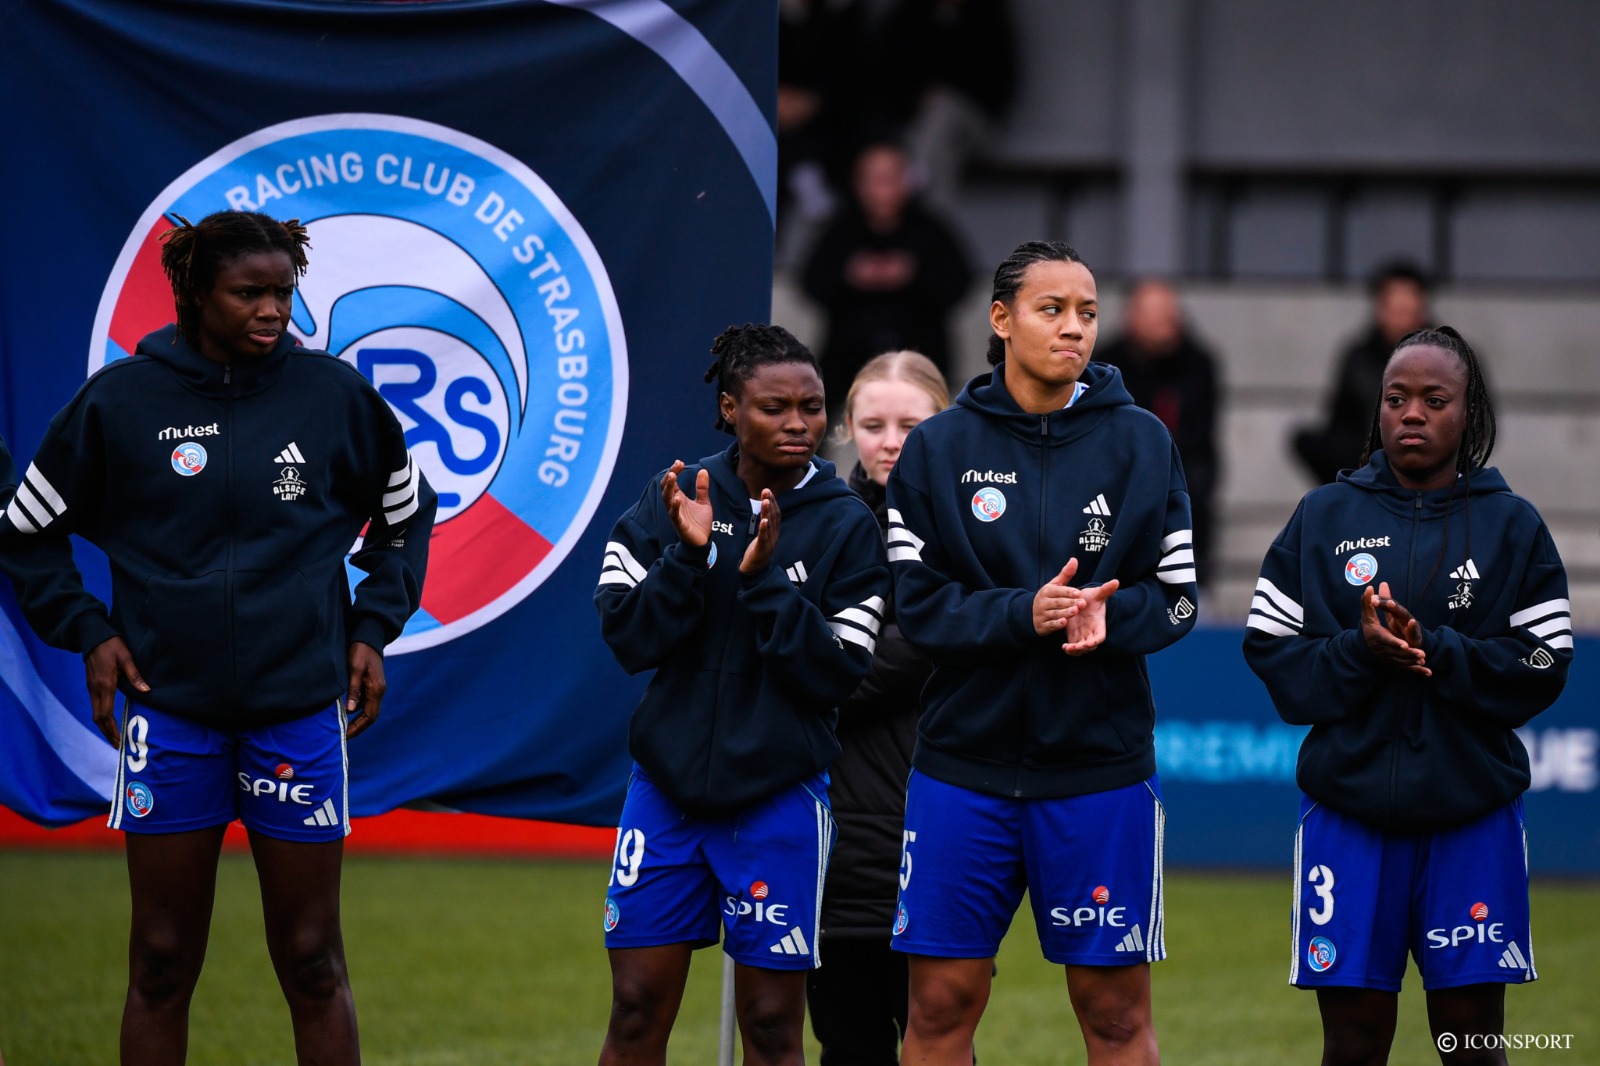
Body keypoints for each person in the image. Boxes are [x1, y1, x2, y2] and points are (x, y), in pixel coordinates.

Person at [0, 210, 435, 1065]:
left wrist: (374, 626)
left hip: (298, 714)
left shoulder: (336, 397)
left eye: (283, 292)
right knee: (161, 962)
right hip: (172, 718)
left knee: (312, 960)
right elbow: (24, 529)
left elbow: (406, 516)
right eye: (250, 293)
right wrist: (86, 629)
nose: (274, 310)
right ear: (197, 294)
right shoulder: (120, 402)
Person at [885, 240, 1198, 1065]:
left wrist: (1111, 616)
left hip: (1099, 771)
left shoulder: (1143, 443)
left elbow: (1179, 597)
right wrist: (1023, 613)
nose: (1074, 329)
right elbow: (917, 609)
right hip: (963, 768)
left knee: (1116, 1016)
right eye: (1051, 310)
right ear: (1001, 318)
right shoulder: (938, 448)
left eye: (1088, 313)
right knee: (941, 1005)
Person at [1244, 326, 1571, 1066]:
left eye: (1434, 399)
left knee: (1471, 1040)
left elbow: (1546, 663)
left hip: (1472, 819)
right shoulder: (1323, 516)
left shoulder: (1512, 525)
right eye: (1396, 399)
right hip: (1349, 818)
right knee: (1354, 1041)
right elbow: (1271, 654)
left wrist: (1438, 650)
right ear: (1378, 409)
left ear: (1469, 413)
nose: (1412, 414)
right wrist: (1359, 651)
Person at [593, 324, 890, 1066]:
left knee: (768, 1026)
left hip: (778, 799)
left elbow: (838, 672)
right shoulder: (674, 494)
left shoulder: (848, 525)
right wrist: (688, 559)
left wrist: (761, 584)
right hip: (665, 794)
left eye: (813, 407)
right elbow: (628, 640)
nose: (799, 424)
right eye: (775, 407)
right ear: (729, 408)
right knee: (634, 1010)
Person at [808, 350, 947, 1065]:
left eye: (910, 423)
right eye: (872, 423)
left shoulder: (968, 531)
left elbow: (911, 647)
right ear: (847, 429)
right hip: (830, 828)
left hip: (933, 819)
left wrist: (805, 681)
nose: (890, 440)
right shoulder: (816, 519)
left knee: (938, 1039)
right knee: (846, 1042)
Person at [801, 142, 972, 414]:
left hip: (919, 355)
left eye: (890, 177)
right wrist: (850, 275)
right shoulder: (839, 231)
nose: (882, 188)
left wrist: (915, 275)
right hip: (847, 358)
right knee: (810, 411)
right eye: (873, 178)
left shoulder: (932, 230)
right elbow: (812, 284)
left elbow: (959, 286)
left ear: (908, 180)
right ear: (857, 183)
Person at [1097, 278, 1222, 587]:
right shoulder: (1105, 363)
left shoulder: (1199, 363)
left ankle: (1193, 585)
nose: (1163, 326)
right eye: (1154, 317)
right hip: (1118, 466)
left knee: (1195, 481)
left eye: (1169, 317)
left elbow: (1199, 433)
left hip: (1179, 464)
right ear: (1132, 318)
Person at [1293, 262, 1431, 485]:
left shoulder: (1449, 357)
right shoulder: (1358, 357)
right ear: (1380, 308)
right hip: (1366, 456)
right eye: (1394, 307)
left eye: (1407, 308)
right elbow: (1337, 422)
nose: (1401, 316)